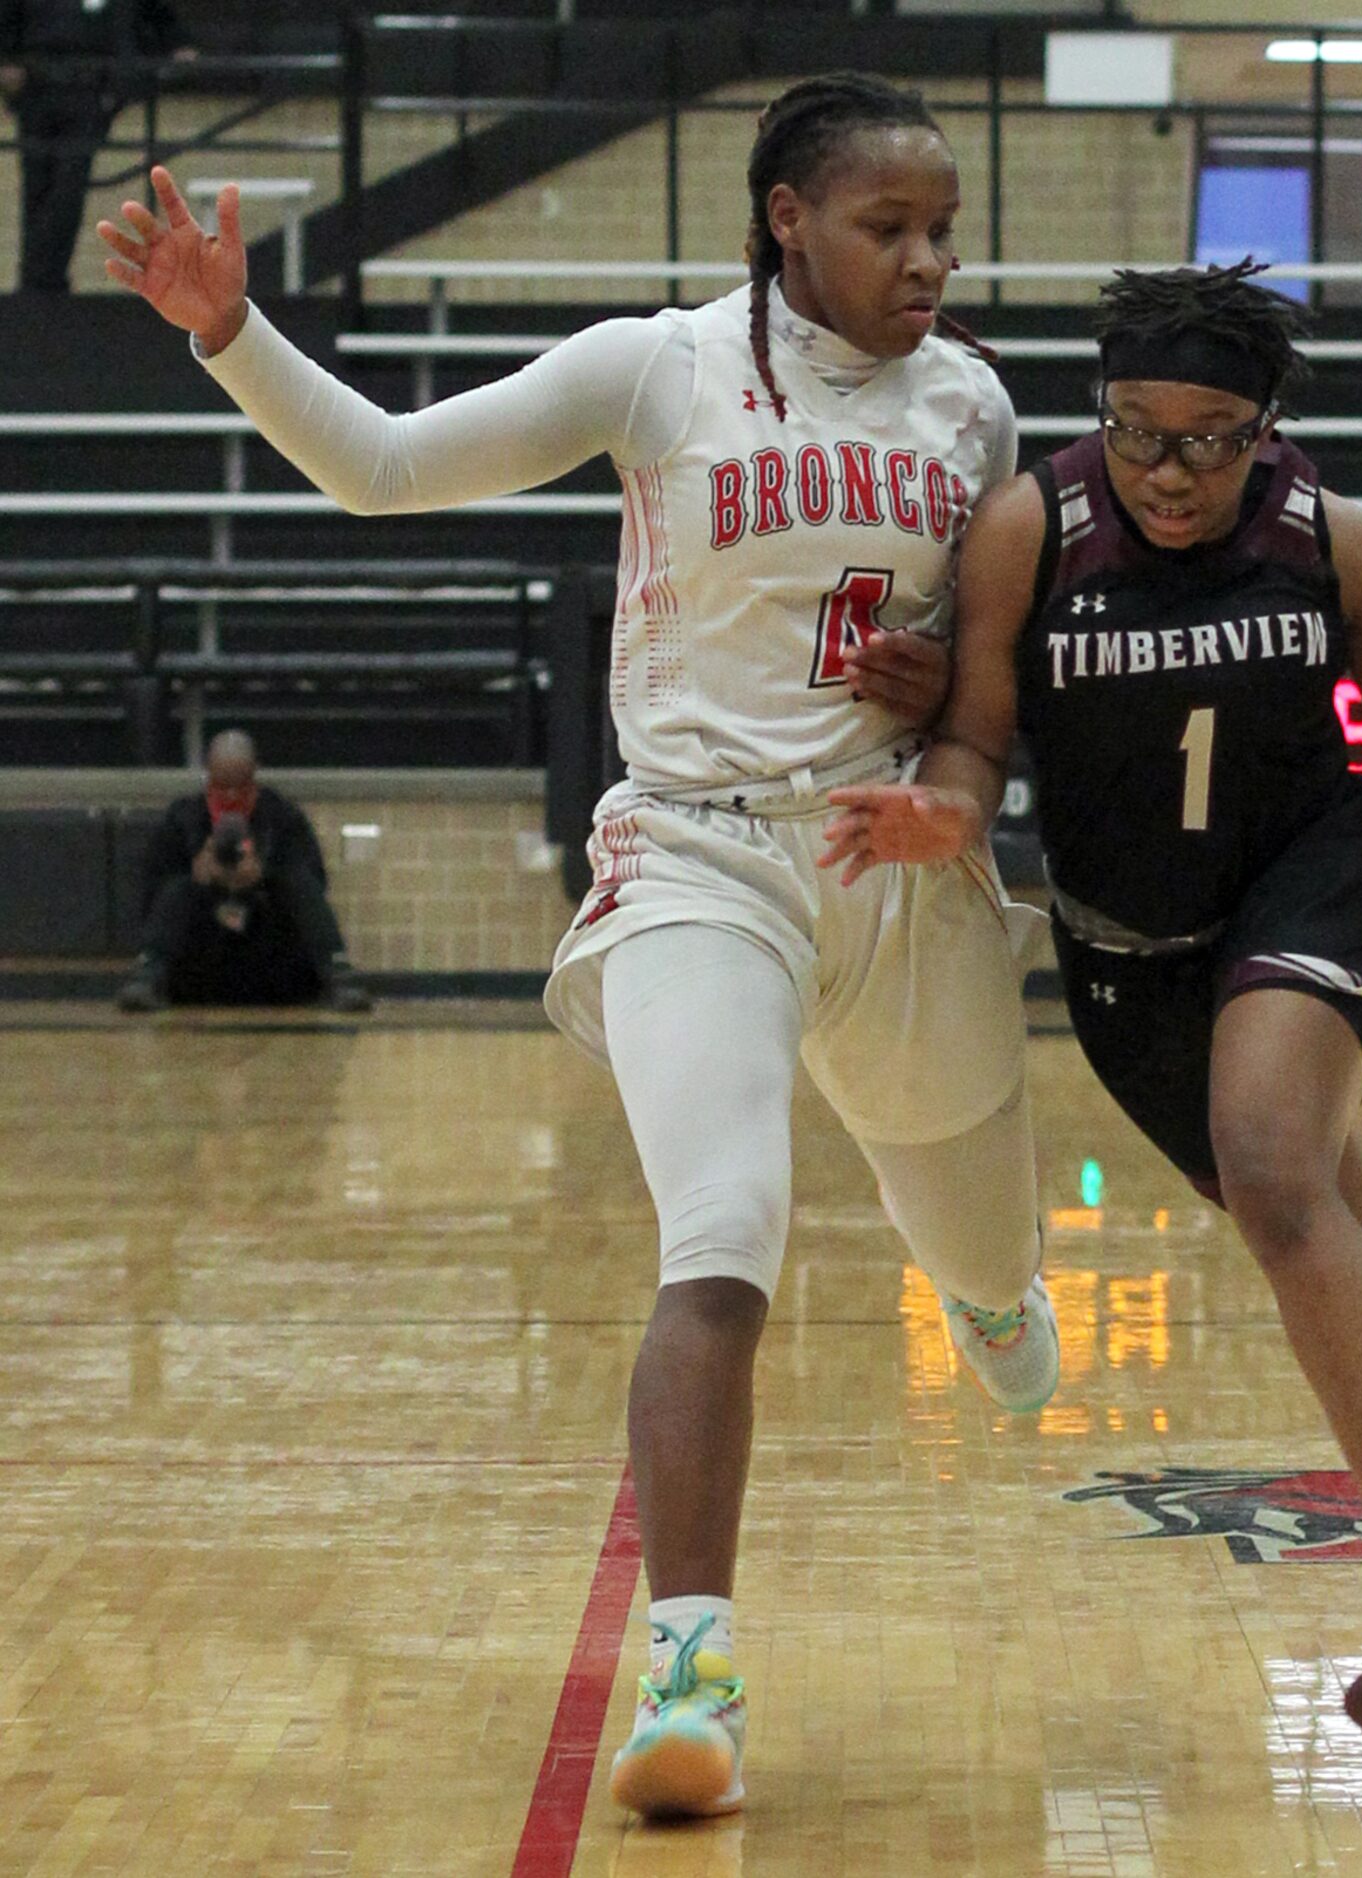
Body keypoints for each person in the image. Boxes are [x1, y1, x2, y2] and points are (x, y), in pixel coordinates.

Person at [98, 73, 1060, 1817]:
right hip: (703, 854)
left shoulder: (974, 408)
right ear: (788, 218)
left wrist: (943, 692)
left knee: (985, 1258)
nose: (924, 260)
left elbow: (986, 651)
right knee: (721, 1235)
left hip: (894, 868)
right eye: (886, 226)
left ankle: (987, 1284)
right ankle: (686, 1667)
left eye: (941, 232)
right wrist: (230, 330)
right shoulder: (658, 367)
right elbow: (388, 468)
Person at [821, 261, 1362, 1731]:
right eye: (1135, 429)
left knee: (1271, 1168)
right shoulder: (1031, 529)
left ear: (1264, 429)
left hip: (1311, 882)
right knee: (1332, 1224)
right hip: (1127, 949)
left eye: (1204, 436)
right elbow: (976, 739)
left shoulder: (1337, 548)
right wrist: (947, 807)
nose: (1165, 469)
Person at [118, 729, 373, 1013]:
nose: (230, 795)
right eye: (221, 786)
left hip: (269, 955)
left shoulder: (282, 815)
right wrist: (198, 877)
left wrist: (263, 877)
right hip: (202, 958)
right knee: (177, 888)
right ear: (207, 775)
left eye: (239, 786)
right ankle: (147, 974)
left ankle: (339, 975)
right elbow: (151, 891)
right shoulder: (181, 817)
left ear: (255, 774)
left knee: (296, 882)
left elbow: (315, 885)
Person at [0, 0, 191, 291]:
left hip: (90, 89)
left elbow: (152, 13)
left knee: (67, 186)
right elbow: (10, 16)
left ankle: (39, 282)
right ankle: (40, 281)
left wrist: (178, 43)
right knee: (37, 186)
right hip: (37, 89)